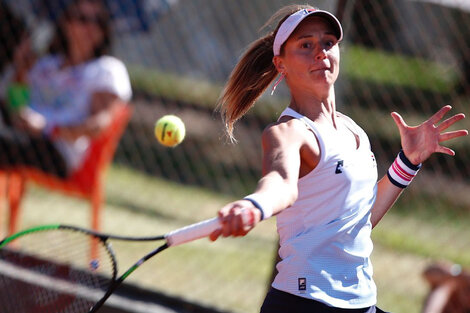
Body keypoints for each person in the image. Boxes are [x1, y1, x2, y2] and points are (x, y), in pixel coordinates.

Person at [210, 4, 468, 313]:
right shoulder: (288, 132)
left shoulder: (352, 130)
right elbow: (280, 185)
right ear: (281, 64)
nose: (321, 52)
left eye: (328, 42)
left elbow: (358, 221)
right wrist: (254, 205)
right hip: (305, 302)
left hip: (360, 301)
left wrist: (408, 162)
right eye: (306, 45)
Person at [0, 0, 132, 178]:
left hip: (56, 150)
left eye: (99, 21)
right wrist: (21, 71)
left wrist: (48, 128)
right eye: (83, 19)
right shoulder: (46, 63)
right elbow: (15, 106)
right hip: (20, 135)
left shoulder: (106, 69)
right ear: (66, 23)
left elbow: (98, 125)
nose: (91, 27)